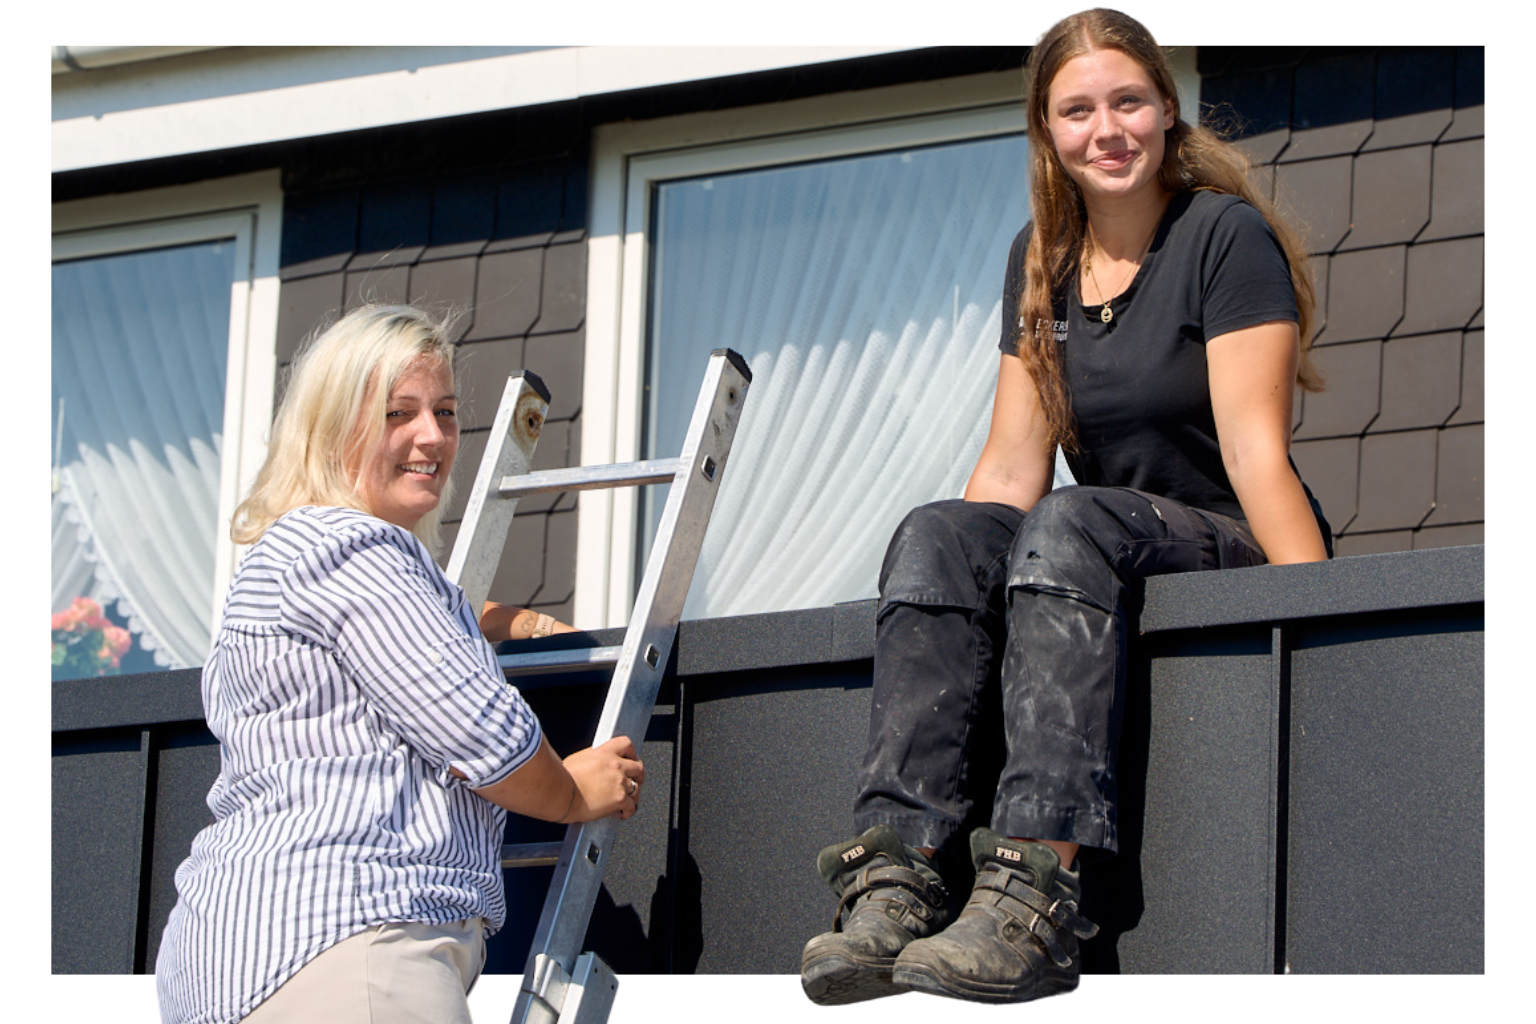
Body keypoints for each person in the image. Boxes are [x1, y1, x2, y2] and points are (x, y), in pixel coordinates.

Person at [800, 7, 1331, 1008]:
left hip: (1223, 536)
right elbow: (1009, 468)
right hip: (1094, 545)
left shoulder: (1224, 237)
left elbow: (1260, 457)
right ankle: (901, 875)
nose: (1108, 128)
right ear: (1049, 132)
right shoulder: (1041, 261)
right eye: (1078, 110)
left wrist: (1318, 630)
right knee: (937, 530)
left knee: (1071, 521)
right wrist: (955, 585)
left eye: (1129, 100)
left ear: (1167, 111)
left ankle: (1035, 895)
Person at [155, 304, 646, 1024]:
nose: (433, 436)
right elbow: (483, 733)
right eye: (398, 412)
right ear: (333, 429)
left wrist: (504, 621)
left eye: (445, 412)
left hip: (231, 958)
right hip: (349, 946)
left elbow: (395, 654)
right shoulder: (355, 547)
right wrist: (572, 790)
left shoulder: (283, 559)